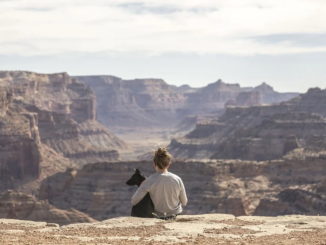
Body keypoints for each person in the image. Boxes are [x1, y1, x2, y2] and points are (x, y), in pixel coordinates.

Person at [131, 147, 188, 217]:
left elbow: (134, 201)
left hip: (159, 216)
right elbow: (184, 202)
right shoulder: (177, 179)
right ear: (168, 164)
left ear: (154, 164)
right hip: (176, 215)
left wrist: (142, 186)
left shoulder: (149, 181)